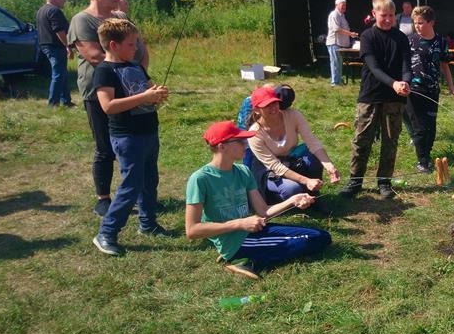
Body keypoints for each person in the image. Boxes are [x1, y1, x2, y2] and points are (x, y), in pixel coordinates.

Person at [186, 121, 332, 280]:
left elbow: (263, 211)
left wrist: (293, 200)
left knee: (321, 236)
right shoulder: (200, 179)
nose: (245, 145)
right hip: (235, 241)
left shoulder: (243, 171)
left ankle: (252, 254)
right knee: (315, 240)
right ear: (222, 147)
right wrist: (240, 224)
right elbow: (192, 230)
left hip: (251, 231)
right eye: (240, 141)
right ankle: (247, 261)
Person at [68, 0, 149, 217]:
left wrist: (139, 74)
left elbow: (139, 47)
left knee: (133, 142)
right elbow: (93, 55)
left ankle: (139, 195)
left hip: (132, 90)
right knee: (106, 146)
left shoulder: (120, 17)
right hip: (99, 91)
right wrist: (127, 69)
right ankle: (103, 198)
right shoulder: (82, 20)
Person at [90, 19, 169, 256]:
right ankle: (106, 232)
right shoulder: (104, 71)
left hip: (149, 131)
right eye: (132, 44)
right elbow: (108, 106)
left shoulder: (135, 66)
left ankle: (148, 224)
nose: (136, 48)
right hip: (127, 138)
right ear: (113, 45)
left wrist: (158, 94)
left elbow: (149, 89)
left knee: (149, 181)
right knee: (131, 185)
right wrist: (145, 97)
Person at [339, 0, 411, 199]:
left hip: (395, 98)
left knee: (391, 140)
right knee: (362, 139)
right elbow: (374, 67)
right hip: (370, 95)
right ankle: (355, 181)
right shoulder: (367, 37)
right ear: (374, 13)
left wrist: (405, 81)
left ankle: (384, 182)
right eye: (383, 15)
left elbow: (407, 65)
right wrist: (394, 83)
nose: (388, 19)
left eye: (391, 15)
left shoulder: (401, 37)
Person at [245, 86, 340, 208]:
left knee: (313, 157)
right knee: (293, 189)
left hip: (291, 159)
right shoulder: (254, 134)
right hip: (270, 170)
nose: (273, 107)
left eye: (275, 103)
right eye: (267, 105)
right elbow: (275, 166)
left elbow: (312, 141)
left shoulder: (293, 115)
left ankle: (313, 196)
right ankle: (274, 199)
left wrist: (329, 165)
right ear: (257, 110)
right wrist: (306, 180)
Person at [406, 5, 454, 173]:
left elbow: (445, 65)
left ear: (431, 22)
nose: (417, 26)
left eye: (420, 23)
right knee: (419, 128)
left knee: (431, 128)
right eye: (415, 23)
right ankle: (422, 161)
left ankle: (426, 154)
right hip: (413, 90)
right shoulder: (410, 40)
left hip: (432, 90)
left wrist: (451, 86)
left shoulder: (441, 42)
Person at [36, 0, 74, 107]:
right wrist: (67, 46)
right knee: (58, 74)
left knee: (61, 73)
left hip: (44, 45)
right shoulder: (54, 10)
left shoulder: (40, 11)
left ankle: (66, 100)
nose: (64, 0)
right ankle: (53, 103)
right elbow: (58, 30)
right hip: (55, 46)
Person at [326, 0, 359, 86]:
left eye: (345, 5)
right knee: (335, 62)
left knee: (339, 63)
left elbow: (343, 29)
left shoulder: (342, 15)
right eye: (342, 5)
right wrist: (350, 33)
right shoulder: (334, 14)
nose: (344, 7)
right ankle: (335, 82)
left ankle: (338, 81)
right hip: (334, 42)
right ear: (336, 5)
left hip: (340, 43)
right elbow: (336, 29)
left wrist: (350, 34)